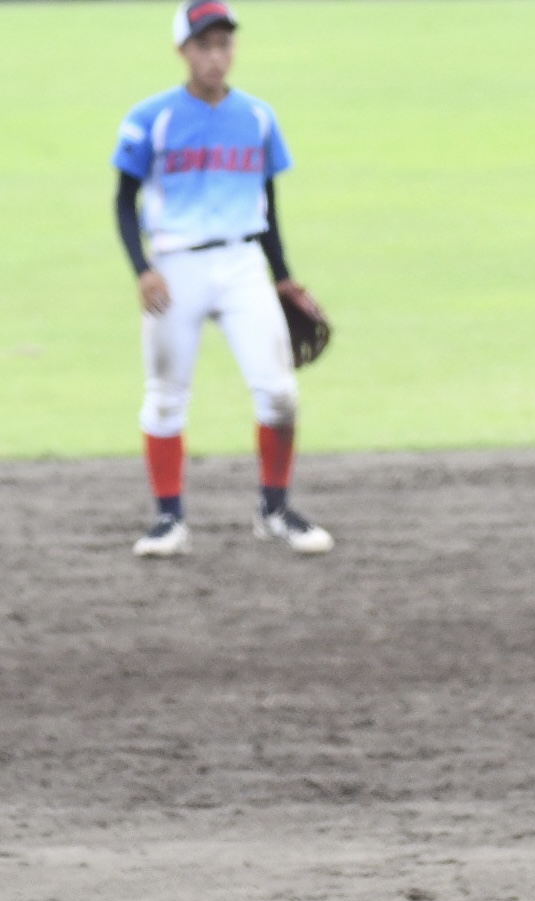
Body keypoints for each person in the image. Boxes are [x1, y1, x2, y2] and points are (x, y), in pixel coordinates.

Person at [114, 0, 332, 558]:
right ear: (182, 51)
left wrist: (283, 277)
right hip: (175, 268)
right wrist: (142, 269)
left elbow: (268, 205)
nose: (215, 56)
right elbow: (123, 200)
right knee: (165, 397)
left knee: (279, 393)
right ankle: (169, 520)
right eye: (204, 45)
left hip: (242, 265)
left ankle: (274, 510)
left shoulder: (257, 117)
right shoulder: (151, 118)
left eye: (224, 44)